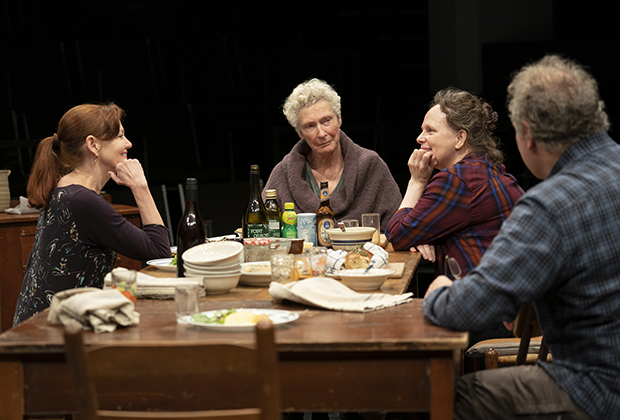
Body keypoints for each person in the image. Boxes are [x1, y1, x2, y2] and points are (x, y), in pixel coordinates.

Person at [423, 54, 620, 420]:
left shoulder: (550, 204)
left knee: (449, 397)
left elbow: (474, 305)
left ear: (527, 135)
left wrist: (437, 295)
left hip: (596, 388)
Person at [13, 103, 170, 326]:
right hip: (54, 335)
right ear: (93, 145)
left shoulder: (66, 190)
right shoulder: (82, 201)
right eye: (120, 136)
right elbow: (159, 251)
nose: (128, 143)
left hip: (44, 325)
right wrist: (140, 186)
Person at [387, 88, 524, 281]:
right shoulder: (485, 168)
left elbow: (397, 235)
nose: (419, 138)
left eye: (430, 131)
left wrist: (417, 181)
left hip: (478, 299)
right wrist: (422, 235)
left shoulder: (456, 180)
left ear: (460, 138)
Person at [262, 78, 401, 231]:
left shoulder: (370, 166)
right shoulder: (283, 174)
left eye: (327, 121)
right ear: (299, 132)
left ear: (339, 120)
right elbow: (261, 231)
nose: (321, 133)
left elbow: (398, 227)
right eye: (310, 126)